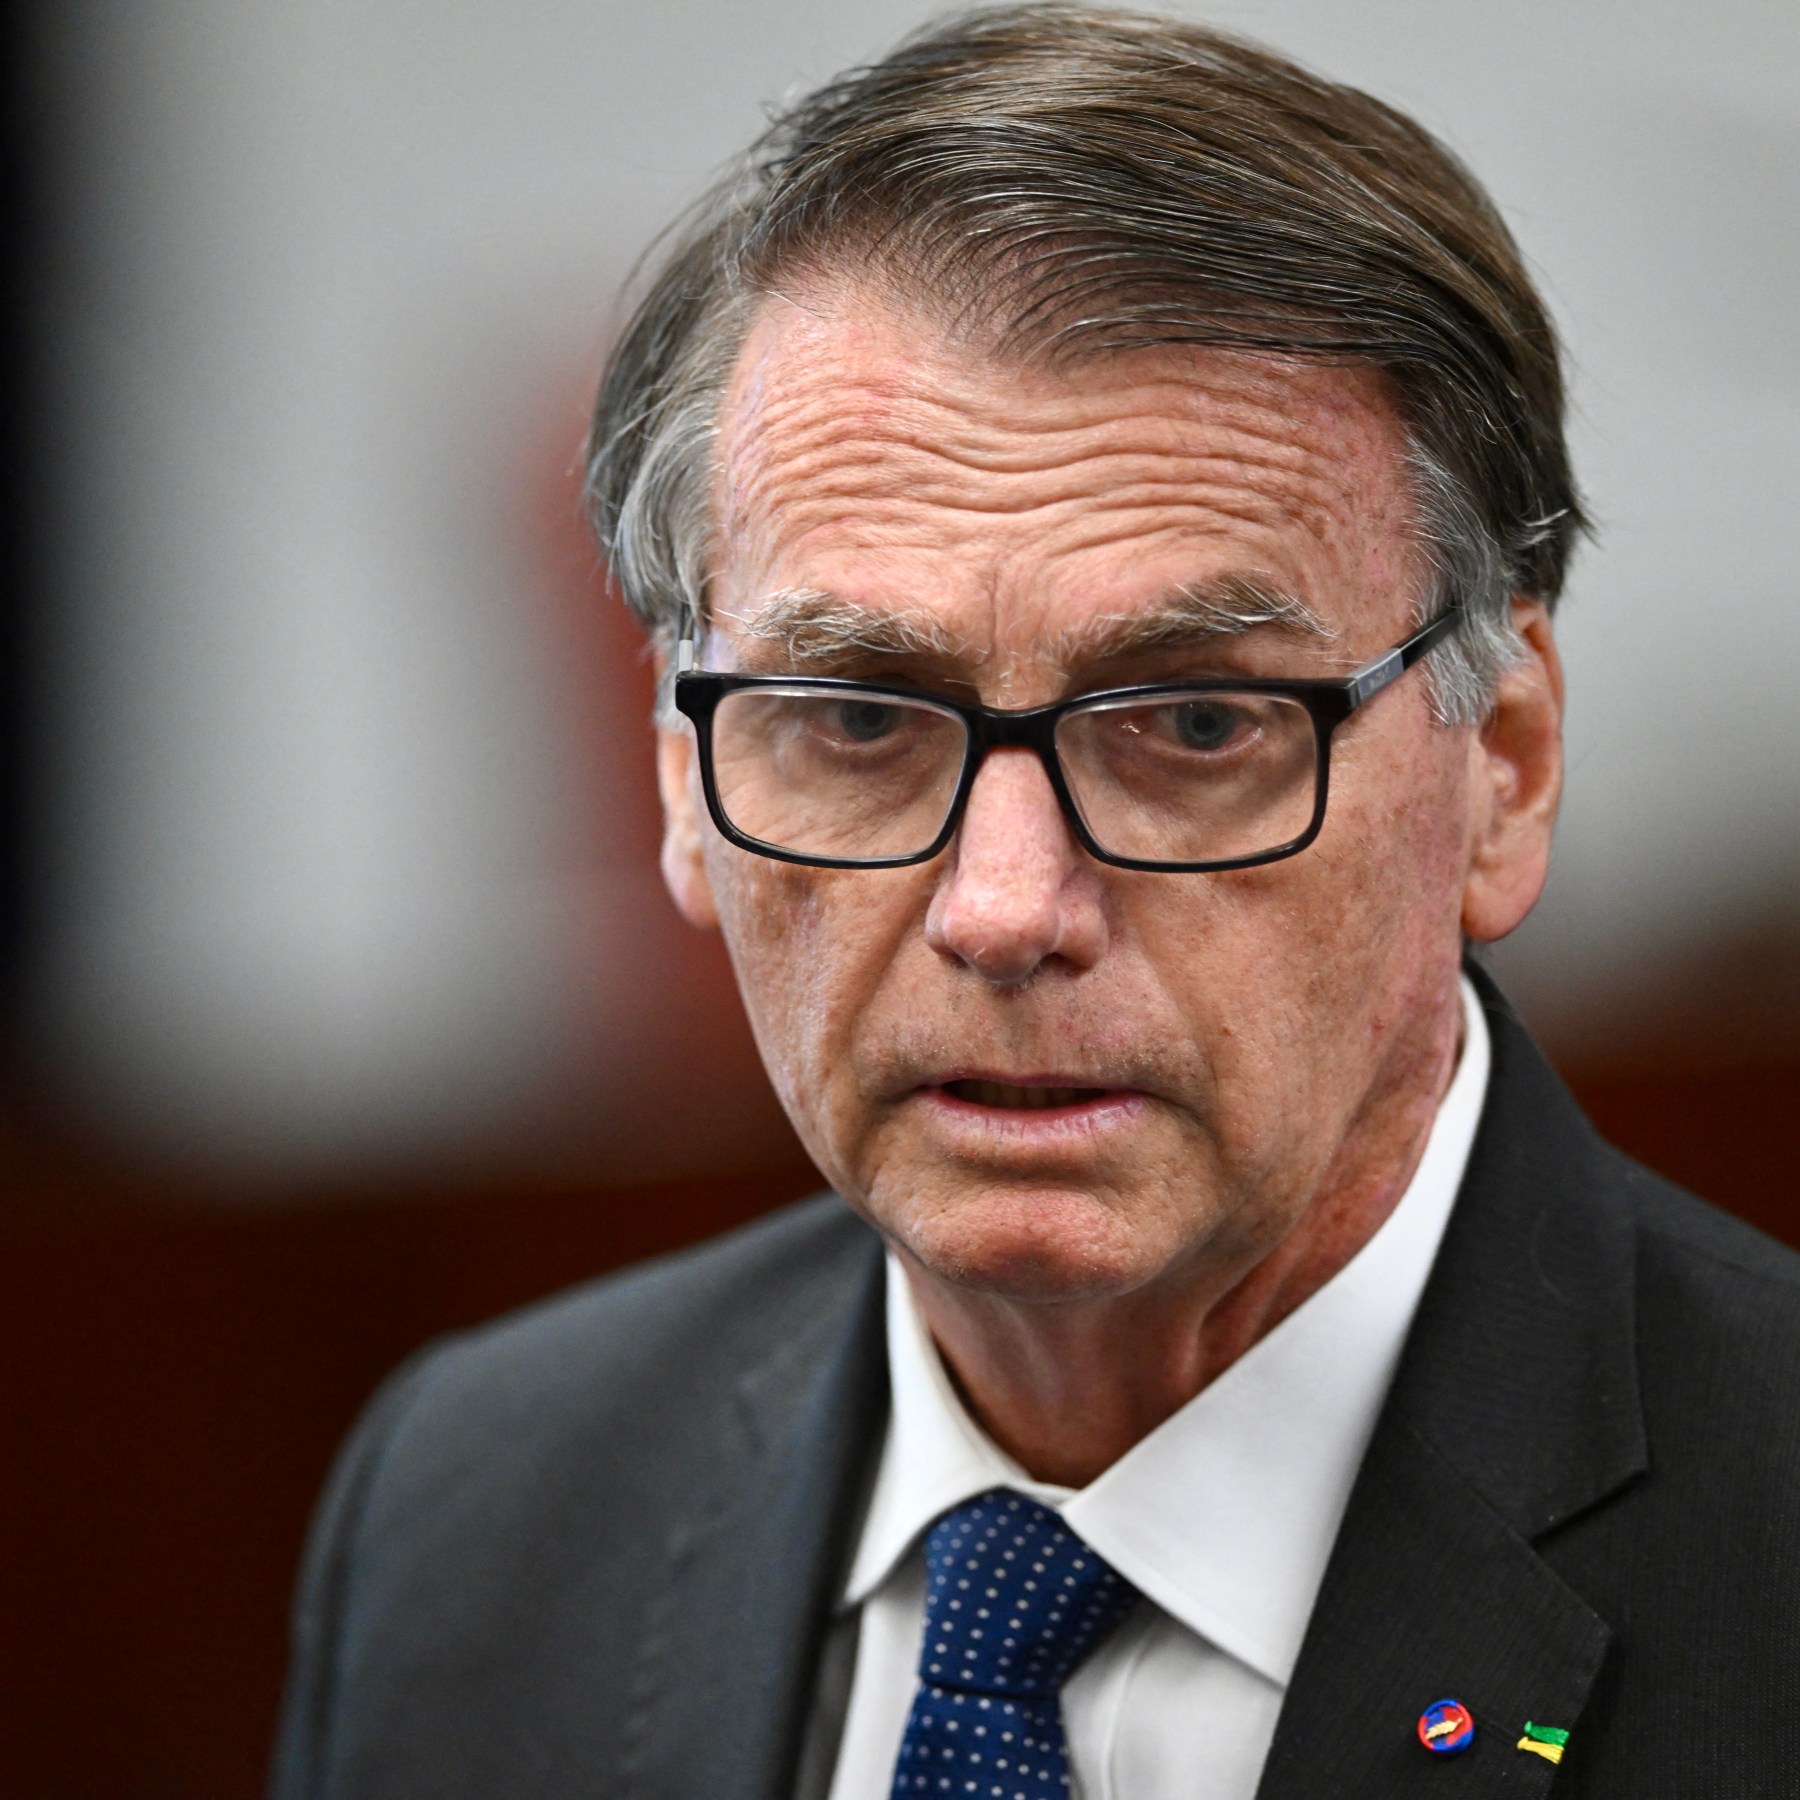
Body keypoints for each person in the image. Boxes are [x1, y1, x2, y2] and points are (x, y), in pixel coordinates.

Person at [271, 8, 1800, 1796]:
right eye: (858, 720)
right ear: (682, 782)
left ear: (1506, 769)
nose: (1004, 908)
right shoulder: (479, 1513)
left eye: (1200, 723)